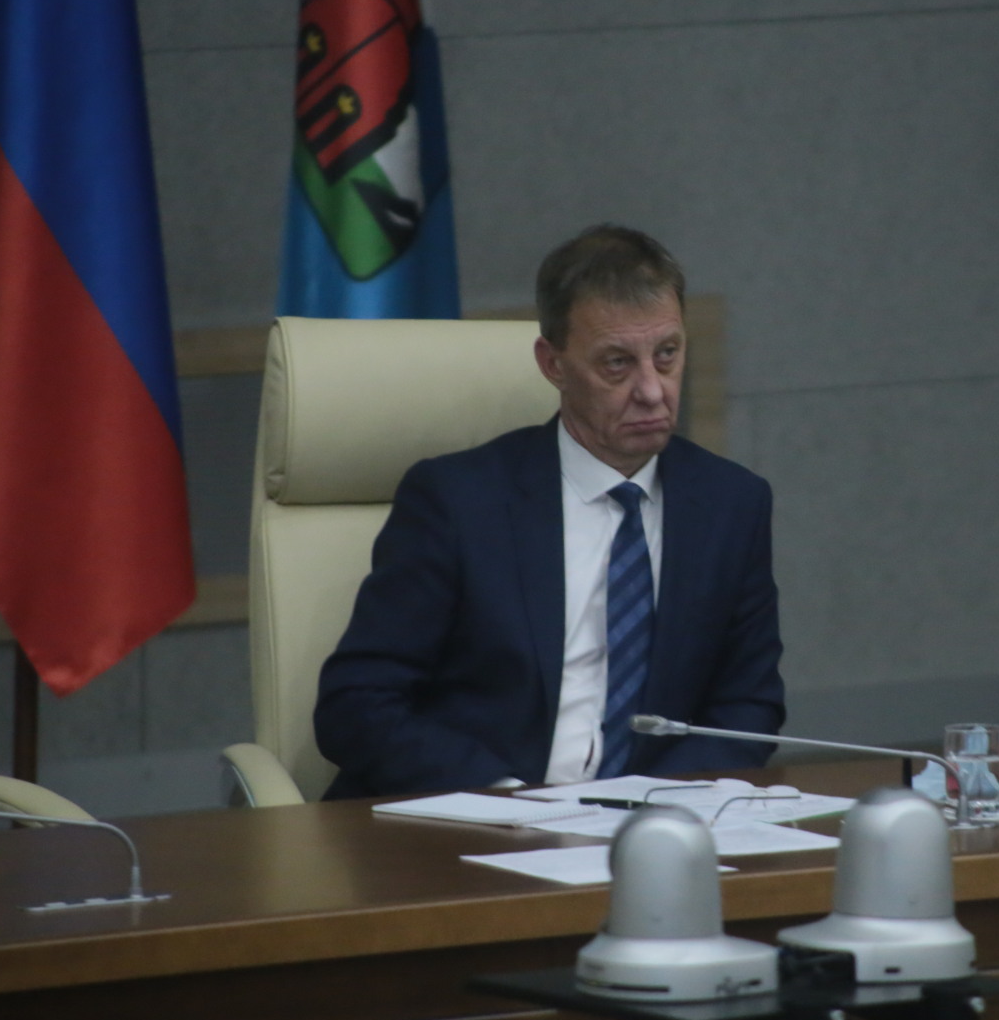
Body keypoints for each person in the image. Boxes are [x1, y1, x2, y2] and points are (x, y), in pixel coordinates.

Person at [314, 225, 784, 798]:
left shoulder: (732, 505)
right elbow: (356, 704)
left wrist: (647, 805)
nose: (652, 391)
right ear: (553, 364)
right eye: (617, 363)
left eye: (666, 355)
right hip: (475, 815)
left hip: (649, 821)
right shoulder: (458, 501)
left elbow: (746, 707)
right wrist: (507, 800)